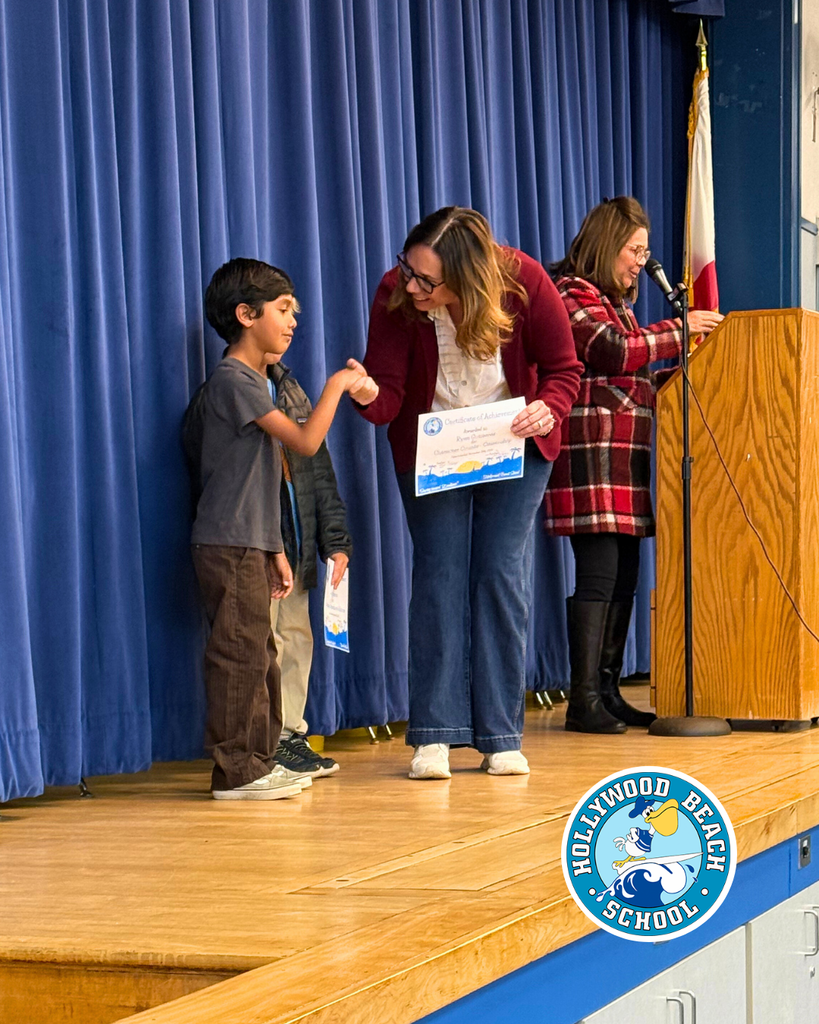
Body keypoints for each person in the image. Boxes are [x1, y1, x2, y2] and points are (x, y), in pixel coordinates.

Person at [354, 206, 582, 780]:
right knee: (440, 575)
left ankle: (500, 736)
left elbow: (564, 370)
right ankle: (434, 734)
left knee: (500, 574)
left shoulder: (524, 282)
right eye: (409, 270)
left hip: (512, 443)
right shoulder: (396, 293)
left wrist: (548, 409)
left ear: (467, 276)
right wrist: (365, 394)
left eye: (427, 281)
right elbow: (388, 397)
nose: (412, 286)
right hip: (434, 448)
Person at [187, 257, 367, 799]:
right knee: (239, 654)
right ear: (246, 315)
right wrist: (338, 384)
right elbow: (306, 442)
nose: (293, 321)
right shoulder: (235, 380)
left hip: (252, 541)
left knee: (261, 653)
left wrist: (276, 549)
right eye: (284, 309)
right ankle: (237, 772)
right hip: (227, 541)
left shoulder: (256, 383)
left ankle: (260, 760)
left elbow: (262, 481)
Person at [543, 197, 723, 734]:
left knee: (623, 576)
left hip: (623, 461)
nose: (641, 263)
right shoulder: (572, 292)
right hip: (592, 457)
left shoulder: (614, 302)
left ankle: (607, 690)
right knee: (599, 575)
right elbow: (615, 352)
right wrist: (681, 329)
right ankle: (582, 701)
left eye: (645, 253)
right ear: (606, 244)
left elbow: (630, 375)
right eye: (634, 250)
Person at [264, 354, 352, 780]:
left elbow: (319, 472)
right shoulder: (233, 389)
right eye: (282, 318)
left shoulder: (291, 389)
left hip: (296, 547)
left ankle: (289, 734)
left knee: (297, 638)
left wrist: (335, 542)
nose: (291, 325)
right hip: (264, 548)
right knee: (267, 643)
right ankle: (266, 740)